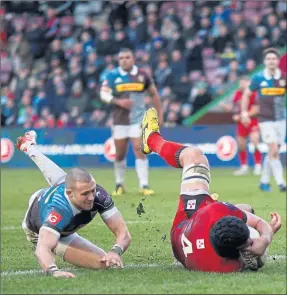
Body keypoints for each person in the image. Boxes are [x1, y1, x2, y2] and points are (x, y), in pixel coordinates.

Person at [141, 107, 281, 272]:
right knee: (247, 208)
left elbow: (252, 230)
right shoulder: (227, 267)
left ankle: (151, 139)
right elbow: (258, 227)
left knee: (194, 156)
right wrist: (266, 238)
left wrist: (264, 236)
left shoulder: (214, 211)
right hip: (187, 240)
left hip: (187, 220)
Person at [16, 131, 131, 278]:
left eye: (92, 190)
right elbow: (42, 248)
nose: (91, 197)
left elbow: (124, 233)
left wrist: (116, 251)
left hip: (60, 191)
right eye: (85, 194)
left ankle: (29, 147)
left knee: (65, 179)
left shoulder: (98, 195)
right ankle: (30, 148)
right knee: (101, 263)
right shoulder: (58, 210)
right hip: (38, 225)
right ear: (69, 194)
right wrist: (53, 271)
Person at [100, 48, 163, 196]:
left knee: (139, 149)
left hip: (138, 120)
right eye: (121, 58)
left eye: (127, 57)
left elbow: (154, 94)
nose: (124, 60)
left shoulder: (142, 75)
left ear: (133, 59)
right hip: (120, 121)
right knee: (120, 154)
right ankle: (119, 184)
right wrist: (118, 102)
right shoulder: (112, 75)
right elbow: (103, 94)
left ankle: (144, 185)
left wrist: (159, 115)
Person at [241, 48, 286, 192]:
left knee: (274, 152)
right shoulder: (258, 78)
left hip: (281, 120)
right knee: (273, 149)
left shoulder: (284, 77)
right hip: (265, 120)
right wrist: (244, 113)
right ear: (265, 62)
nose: (271, 61)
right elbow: (246, 95)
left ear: (278, 61)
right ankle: (281, 183)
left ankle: (264, 182)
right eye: (269, 59)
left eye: (274, 58)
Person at [220, 76, 262, 176]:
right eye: (240, 82)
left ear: (249, 83)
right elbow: (232, 107)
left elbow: (256, 109)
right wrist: (224, 106)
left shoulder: (254, 93)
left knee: (255, 142)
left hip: (252, 121)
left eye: (244, 82)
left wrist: (242, 116)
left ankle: (258, 166)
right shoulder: (237, 94)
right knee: (241, 145)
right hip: (241, 123)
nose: (241, 84)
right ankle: (244, 167)